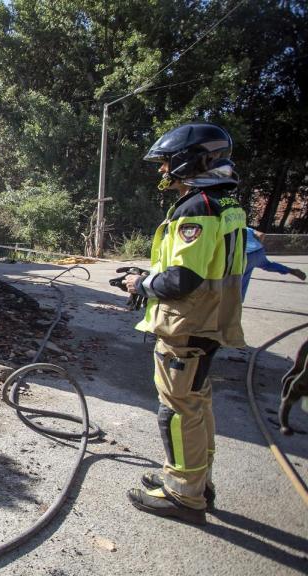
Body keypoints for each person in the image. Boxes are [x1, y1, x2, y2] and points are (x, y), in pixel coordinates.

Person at [123, 123, 247, 525]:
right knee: (198, 404)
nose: (163, 172)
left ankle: (182, 496)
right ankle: (196, 483)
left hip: (188, 325)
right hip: (211, 320)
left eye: (166, 164)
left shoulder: (197, 208)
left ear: (190, 161)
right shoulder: (227, 204)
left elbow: (181, 280)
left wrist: (139, 282)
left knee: (177, 411)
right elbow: (198, 267)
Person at [242, 227, 306, 300]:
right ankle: (289, 270)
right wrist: (257, 245)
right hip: (259, 251)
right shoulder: (246, 228)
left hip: (248, 255)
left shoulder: (232, 230)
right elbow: (262, 234)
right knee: (268, 265)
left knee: (244, 276)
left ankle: (239, 300)